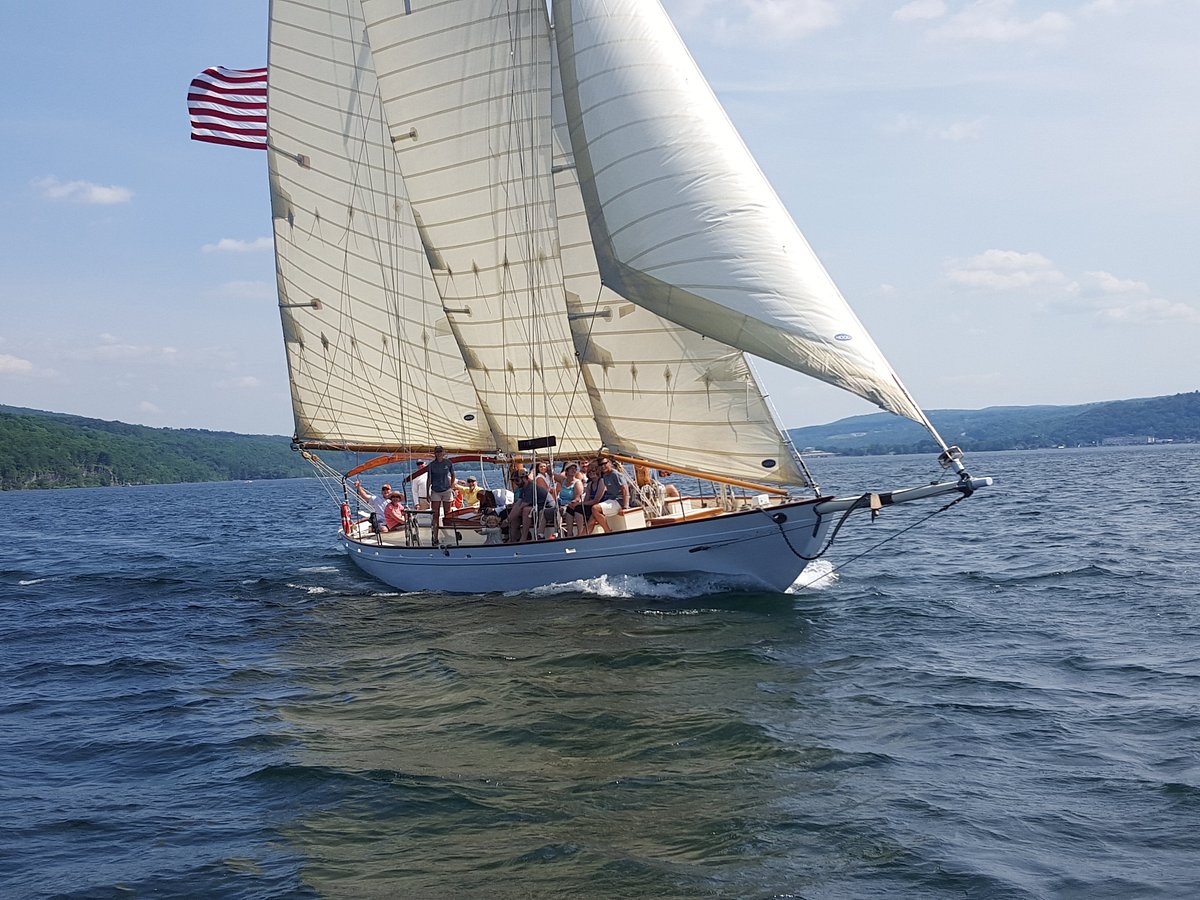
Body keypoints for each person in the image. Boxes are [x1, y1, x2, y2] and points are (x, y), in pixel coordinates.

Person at [426, 446, 456, 546]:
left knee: (447, 514)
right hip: (436, 491)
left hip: (446, 490)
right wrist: (427, 493)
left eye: (440, 451)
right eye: (437, 452)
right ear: (435, 453)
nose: (439, 453)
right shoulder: (431, 465)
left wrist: (451, 487)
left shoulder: (448, 463)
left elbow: (453, 475)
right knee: (435, 515)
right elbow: (429, 479)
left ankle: (448, 535)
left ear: (443, 452)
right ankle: (435, 537)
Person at [580, 462, 609, 534]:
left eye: (593, 471)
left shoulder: (601, 482)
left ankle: (607, 530)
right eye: (589, 471)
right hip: (593, 506)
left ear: (597, 471)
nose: (591, 473)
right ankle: (578, 532)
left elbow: (596, 500)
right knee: (575, 509)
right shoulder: (590, 484)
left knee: (592, 518)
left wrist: (579, 504)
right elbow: (586, 499)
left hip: (601, 505)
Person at [558, 463, 585, 537]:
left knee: (566, 510)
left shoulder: (577, 483)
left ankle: (574, 533)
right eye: (571, 468)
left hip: (571, 505)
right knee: (554, 511)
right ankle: (560, 532)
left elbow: (577, 498)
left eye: (575, 469)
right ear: (566, 471)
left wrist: (568, 504)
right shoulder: (563, 480)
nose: (574, 470)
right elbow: (552, 474)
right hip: (561, 505)